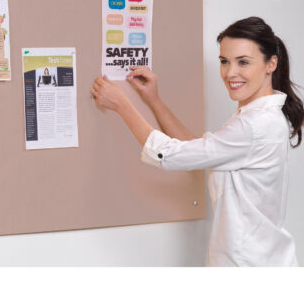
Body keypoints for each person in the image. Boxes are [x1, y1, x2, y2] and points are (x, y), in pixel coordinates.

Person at [90, 16, 303, 266]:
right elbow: (197, 151)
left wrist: (122, 105)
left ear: (271, 64)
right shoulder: (258, 117)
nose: (230, 73)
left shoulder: (254, 126)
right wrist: (154, 101)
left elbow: (168, 155)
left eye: (243, 62)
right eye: (224, 61)